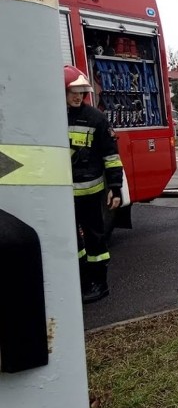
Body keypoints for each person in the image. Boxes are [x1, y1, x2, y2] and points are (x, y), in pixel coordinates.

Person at [65, 65, 124, 303]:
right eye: (73, 92)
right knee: (73, 241)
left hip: (91, 192)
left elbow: (111, 155)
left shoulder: (96, 118)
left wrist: (116, 188)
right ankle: (80, 281)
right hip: (63, 194)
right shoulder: (49, 117)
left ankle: (100, 284)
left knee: (94, 238)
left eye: (81, 91)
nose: (78, 96)